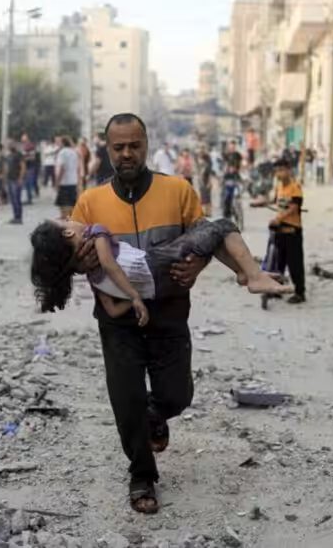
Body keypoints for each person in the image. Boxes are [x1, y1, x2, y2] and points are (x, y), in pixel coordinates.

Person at [66, 113, 212, 515]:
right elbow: (74, 260)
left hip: (169, 313)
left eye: (135, 146)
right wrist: (78, 262)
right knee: (125, 398)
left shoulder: (178, 191)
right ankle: (141, 475)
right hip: (117, 321)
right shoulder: (90, 202)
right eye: (119, 147)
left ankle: (156, 412)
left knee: (177, 395)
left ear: (146, 146)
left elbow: (204, 238)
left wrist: (199, 263)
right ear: (107, 149)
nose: (127, 154)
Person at [31, 217, 291, 322]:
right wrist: (134, 295)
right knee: (221, 226)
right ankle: (254, 276)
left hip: (159, 287)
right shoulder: (97, 234)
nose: (71, 218)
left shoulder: (93, 277)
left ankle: (243, 272)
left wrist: (141, 295)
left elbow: (111, 309)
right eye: (66, 220)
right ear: (68, 231)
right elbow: (111, 263)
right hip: (157, 263)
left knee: (204, 233)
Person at [270, 159, 306, 304]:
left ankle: (300, 292)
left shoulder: (295, 186)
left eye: (282, 170)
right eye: (277, 170)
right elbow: (275, 202)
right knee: (280, 262)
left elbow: (294, 207)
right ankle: (279, 288)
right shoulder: (279, 187)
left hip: (292, 231)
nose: (279, 173)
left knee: (295, 263)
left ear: (288, 170)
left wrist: (279, 219)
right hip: (280, 231)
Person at [54, 136, 80, 218]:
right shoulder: (74, 152)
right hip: (73, 181)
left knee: (63, 206)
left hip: (64, 182)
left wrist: (57, 181)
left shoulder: (62, 153)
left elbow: (61, 168)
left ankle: (64, 222)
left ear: (62, 143)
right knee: (72, 205)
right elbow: (78, 168)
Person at [5, 141, 25, 225]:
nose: (9, 146)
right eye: (8, 144)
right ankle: (15, 217)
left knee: (17, 199)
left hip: (16, 179)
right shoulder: (9, 155)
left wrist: (20, 178)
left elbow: (23, 166)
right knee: (12, 199)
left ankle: (19, 218)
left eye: (11, 144)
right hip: (9, 179)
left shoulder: (19, 154)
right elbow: (6, 167)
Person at [21, 134, 39, 204]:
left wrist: (23, 159)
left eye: (25, 140)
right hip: (25, 167)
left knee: (29, 183)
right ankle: (27, 198)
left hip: (30, 167)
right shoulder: (23, 147)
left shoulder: (31, 147)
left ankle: (29, 199)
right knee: (26, 184)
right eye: (23, 140)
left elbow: (32, 157)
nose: (24, 141)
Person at [197, 150, 214, 217]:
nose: (199, 160)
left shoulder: (206, 166)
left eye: (200, 158)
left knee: (206, 198)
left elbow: (209, 175)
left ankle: (207, 212)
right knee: (204, 198)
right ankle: (205, 212)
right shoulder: (201, 166)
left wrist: (209, 183)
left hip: (206, 183)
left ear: (203, 159)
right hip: (202, 184)